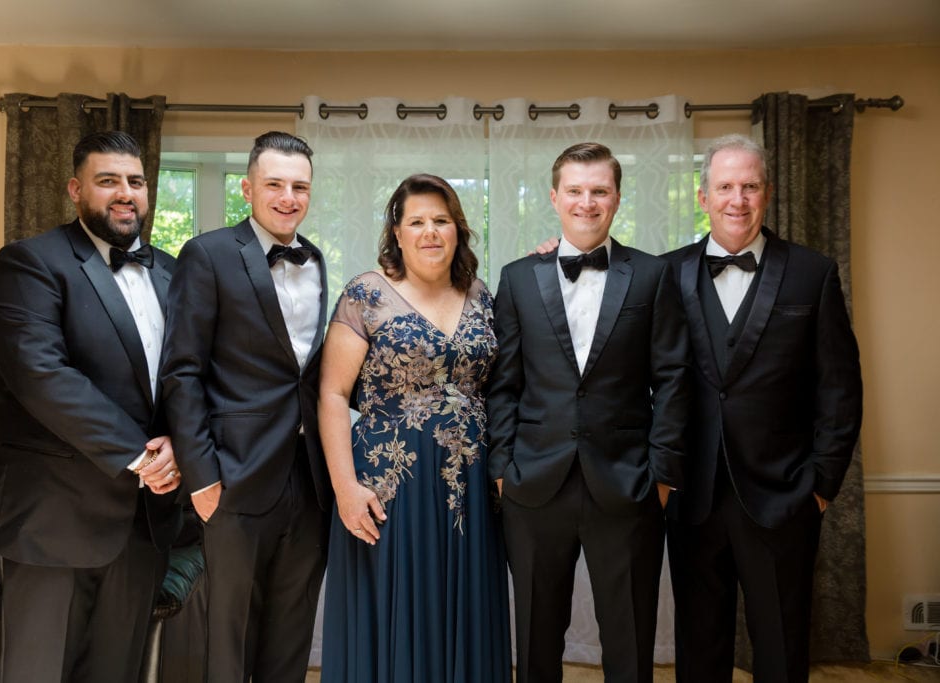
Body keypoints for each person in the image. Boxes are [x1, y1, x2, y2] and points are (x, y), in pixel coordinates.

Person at [0, 130, 182, 682]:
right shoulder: (29, 263)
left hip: (142, 524)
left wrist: (182, 443)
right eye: (108, 181)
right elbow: (41, 377)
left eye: (135, 181)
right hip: (51, 519)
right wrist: (142, 455)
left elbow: (188, 377)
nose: (125, 193)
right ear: (75, 189)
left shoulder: (174, 274)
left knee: (117, 671)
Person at [662, 134, 862, 682]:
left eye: (750, 186)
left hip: (783, 495)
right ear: (702, 197)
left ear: (767, 193)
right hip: (692, 496)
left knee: (781, 648)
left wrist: (821, 484)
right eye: (725, 186)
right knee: (699, 650)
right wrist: (552, 251)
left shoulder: (811, 273)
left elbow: (840, 389)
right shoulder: (663, 274)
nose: (738, 199)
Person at [488, 142, 689, 683]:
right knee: (534, 641)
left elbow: (672, 378)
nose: (586, 202)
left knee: (629, 640)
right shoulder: (517, 278)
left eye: (599, 191)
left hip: (628, 483)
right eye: (574, 191)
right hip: (534, 484)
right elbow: (502, 383)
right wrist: (503, 467)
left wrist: (663, 474)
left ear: (617, 198)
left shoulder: (651, 276)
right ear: (555, 198)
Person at [319, 174, 511, 682]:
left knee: (466, 614)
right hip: (387, 490)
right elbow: (333, 395)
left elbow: (503, 387)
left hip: (469, 492)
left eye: (441, 221)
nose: (430, 232)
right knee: (393, 616)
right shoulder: (366, 293)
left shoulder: (482, 295)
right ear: (397, 233)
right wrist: (344, 488)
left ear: (458, 230)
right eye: (417, 221)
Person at [160, 131, 332, 683]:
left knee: (291, 634)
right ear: (247, 187)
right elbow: (182, 371)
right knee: (227, 642)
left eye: (299, 186)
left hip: (307, 479)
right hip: (232, 478)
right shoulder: (207, 254)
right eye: (275, 184)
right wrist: (201, 477)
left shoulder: (318, 260)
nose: (288, 197)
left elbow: (305, 370)